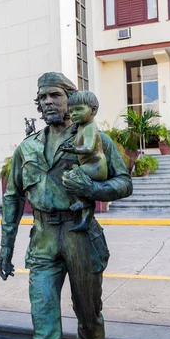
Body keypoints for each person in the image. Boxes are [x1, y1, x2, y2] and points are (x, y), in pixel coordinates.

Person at [0, 72, 132, 339]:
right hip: (42, 241)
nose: (48, 102)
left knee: (88, 312)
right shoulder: (26, 149)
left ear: (71, 99)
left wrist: (92, 190)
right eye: (42, 97)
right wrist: (5, 248)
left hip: (79, 237)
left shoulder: (91, 136)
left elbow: (124, 182)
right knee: (44, 330)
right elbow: (11, 200)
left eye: (55, 95)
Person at [61, 90, 108, 232]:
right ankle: (85, 211)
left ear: (93, 110)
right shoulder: (80, 127)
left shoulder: (90, 128)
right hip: (89, 165)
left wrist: (72, 150)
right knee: (72, 178)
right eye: (71, 111)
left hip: (96, 166)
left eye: (79, 109)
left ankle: (83, 203)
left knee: (71, 177)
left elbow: (87, 148)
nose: (73, 114)